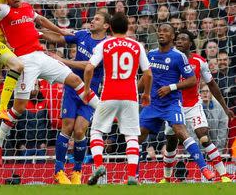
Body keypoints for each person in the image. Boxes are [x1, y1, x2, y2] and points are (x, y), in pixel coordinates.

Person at [0, 0, 92, 167]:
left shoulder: (28, 7)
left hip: (41, 55)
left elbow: (41, 20)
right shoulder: (4, 10)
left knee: (75, 80)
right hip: (24, 61)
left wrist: (60, 30)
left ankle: (101, 109)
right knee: (19, 107)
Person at [138, 24, 215, 181]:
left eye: (166, 31)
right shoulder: (150, 54)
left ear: (172, 37)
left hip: (171, 104)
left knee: (181, 131)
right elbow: (145, 77)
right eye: (160, 30)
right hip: (152, 104)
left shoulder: (179, 56)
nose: (161, 33)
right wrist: (133, 92)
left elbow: (192, 80)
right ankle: (133, 175)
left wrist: (171, 87)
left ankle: (205, 169)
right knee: (136, 137)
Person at [41, 11, 109, 184]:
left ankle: (77, 172)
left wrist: (63, 61)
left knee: (79, 131)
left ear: (106, 26)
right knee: (67, 127)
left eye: (97, 19)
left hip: (90, 93)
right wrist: (37, 33)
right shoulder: (82, 35)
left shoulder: (106, 45)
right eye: (93, 18)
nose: (92, 21)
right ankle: (59, 171)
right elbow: (58, 38)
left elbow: (89, 66)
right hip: (72, 88)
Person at [84, 12, 152, 186]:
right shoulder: (137, 46)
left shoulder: (105, 44)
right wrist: (146, 94)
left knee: (96, 131)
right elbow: (148, 74)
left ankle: (99, 165)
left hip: (109, 95)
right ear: (128, 27)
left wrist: (86, 90)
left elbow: (89, 68)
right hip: (130, 96)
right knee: (131, 136)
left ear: (111, 28)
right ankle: (131, 176)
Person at [160, 30, 234, 183]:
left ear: (190, 43)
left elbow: (212, 84)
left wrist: (225, 108)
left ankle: (224, 175)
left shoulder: (199, 61)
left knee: (204, 136)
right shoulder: (167, 59)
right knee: (171, 142)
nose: (179, 41)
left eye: (183, 39)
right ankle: (166, 178)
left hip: (193, 105)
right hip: (173, 106)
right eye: (178, 39)